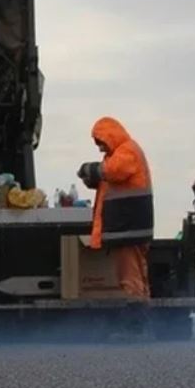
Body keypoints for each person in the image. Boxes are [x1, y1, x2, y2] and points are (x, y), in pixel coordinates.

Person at [77, 116, 154, 309]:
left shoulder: (127, 151)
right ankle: (142, 321)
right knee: (136, 275)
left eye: (101, 142)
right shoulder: (123, 153)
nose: (100, 148)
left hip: (128, 226)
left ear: (111, 136)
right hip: (130, 226)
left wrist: (90, 169)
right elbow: (111, 180)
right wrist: (93, 178)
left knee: (130, 278)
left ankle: (135, 326)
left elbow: (113, 171)